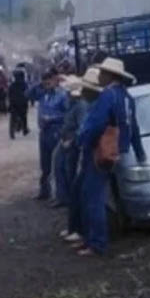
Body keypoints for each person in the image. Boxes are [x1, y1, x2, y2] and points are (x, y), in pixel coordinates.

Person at [76, 58, 145, 257]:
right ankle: (105, 235)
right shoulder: (127, 97)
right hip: (119, 151)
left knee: (93, 197)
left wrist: (84, 141)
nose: (100, 75)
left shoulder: (107, 95)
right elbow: (134, 127)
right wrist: (139, 152)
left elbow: (96, 124)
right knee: (111, 194)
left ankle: (97, 242)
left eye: (102, 72)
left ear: (109, 75)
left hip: (101, 151)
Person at [59, 69, 99, 245]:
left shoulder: (80, 106)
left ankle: (79, 230)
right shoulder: (75, 105)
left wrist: (72, 142)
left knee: (77, 190)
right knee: (72, 187)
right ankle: (74, 228)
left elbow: (82, 129)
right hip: (72, 147)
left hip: (76, 150)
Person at [27, 72, 70, 203]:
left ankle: (61, 196)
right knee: (44, 164)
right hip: (44, 132)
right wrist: (39, 84)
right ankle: (44, 191)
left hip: (56, 131)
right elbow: (28, 94)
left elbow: (68, 115)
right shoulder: (43, 94)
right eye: (44, 82)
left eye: (49, 81)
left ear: (56, 80)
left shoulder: (62, 96)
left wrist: (52, 118)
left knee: (57, 165)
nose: (47, 84)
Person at [8, 65, 30, 139]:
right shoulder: (24, 84)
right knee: (24, 117)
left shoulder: (12, 85)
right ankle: (25, 129)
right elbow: (27, 93)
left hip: (13, 103)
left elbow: (9, 94)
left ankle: (12, 132)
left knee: (13, 117)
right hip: (22, 103)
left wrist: (10, 101)